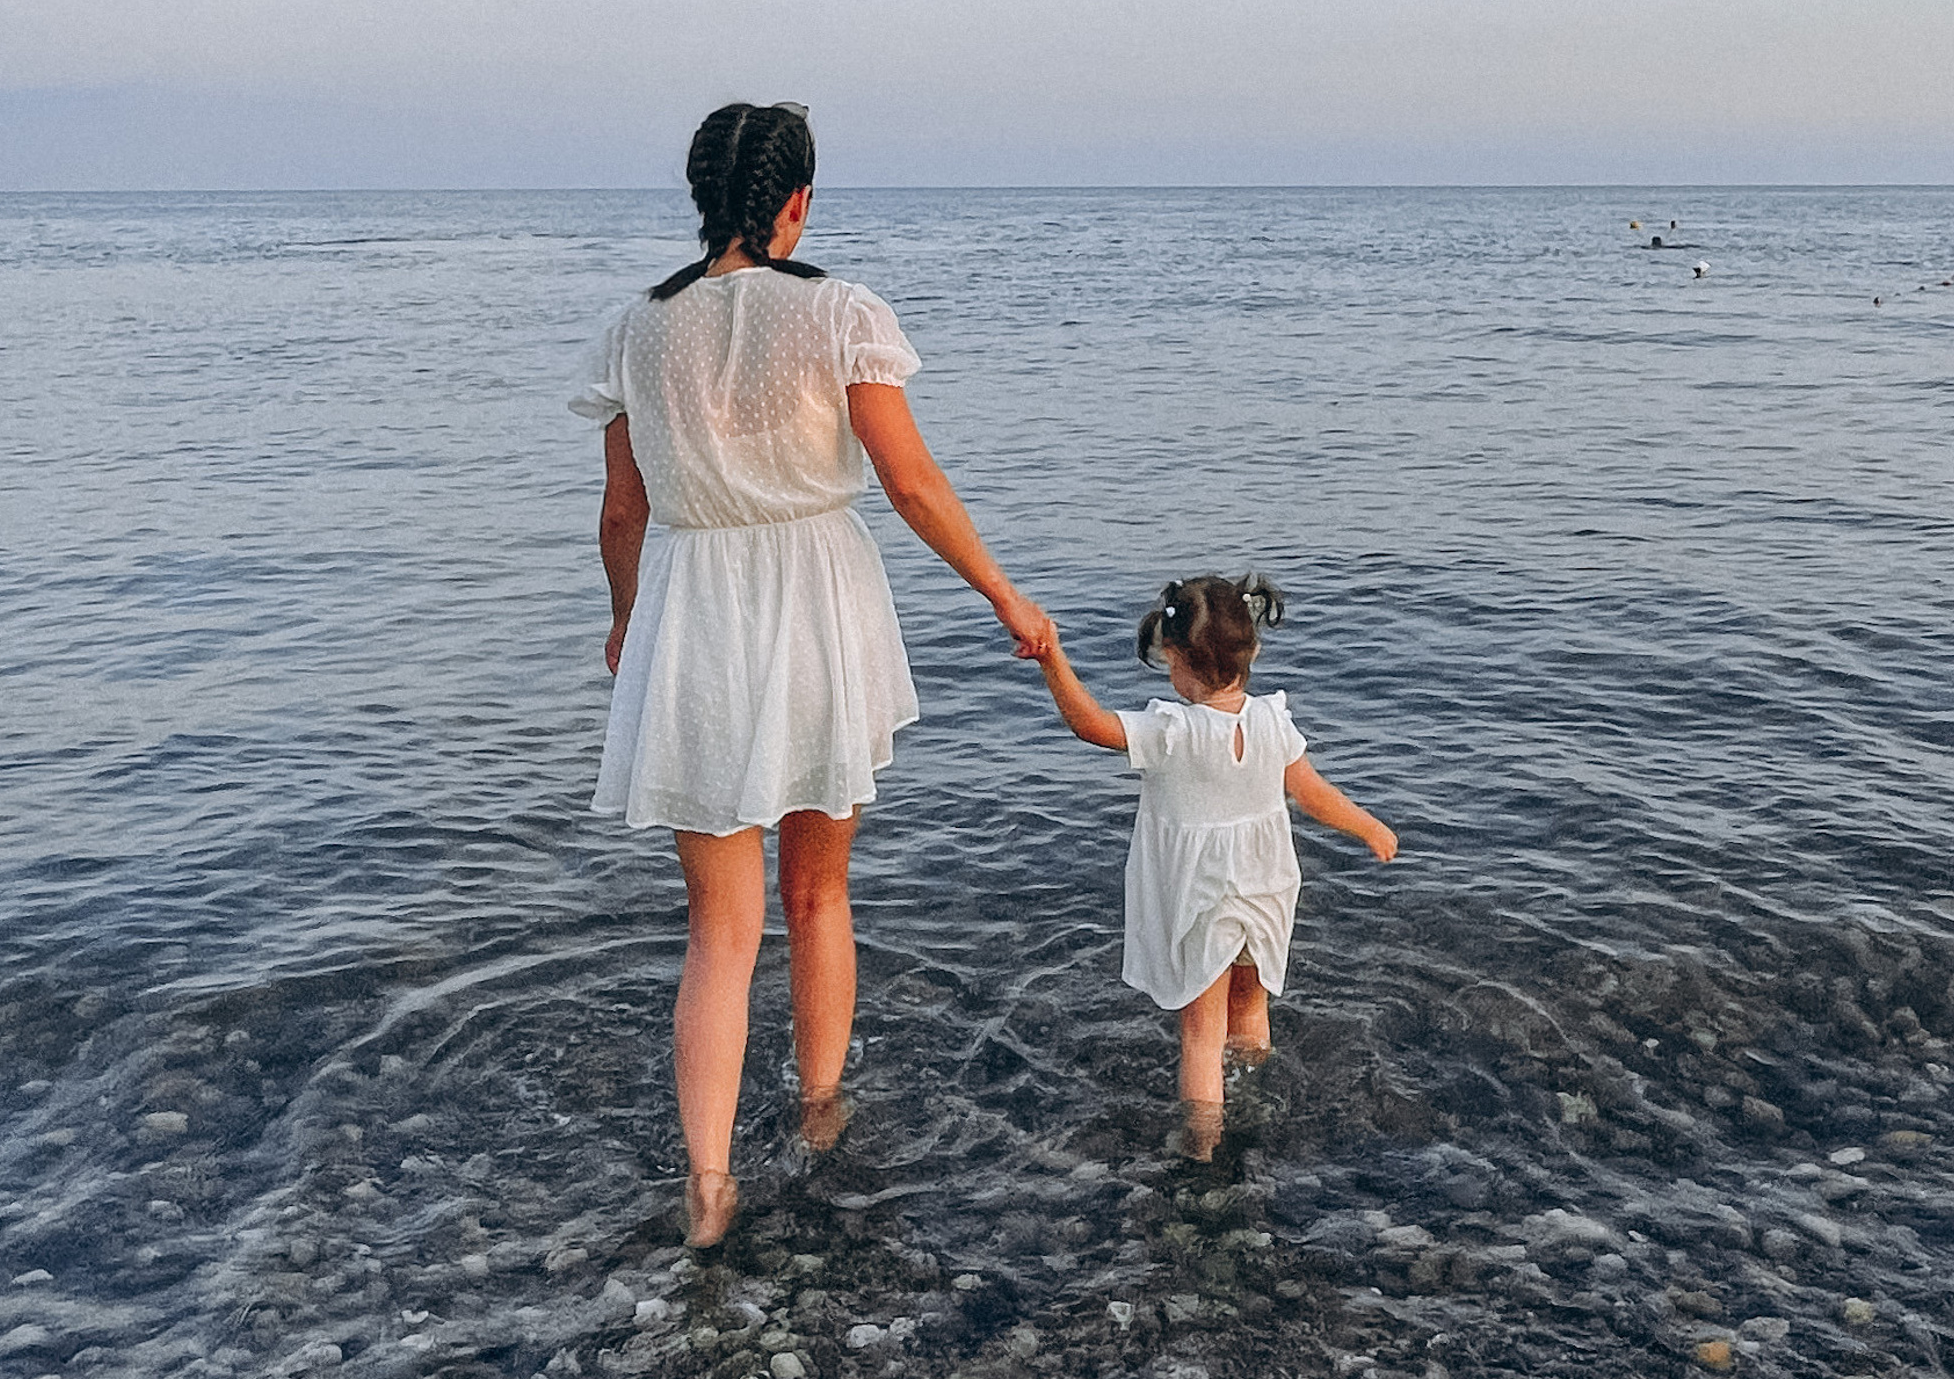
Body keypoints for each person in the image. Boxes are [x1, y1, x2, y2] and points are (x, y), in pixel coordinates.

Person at [573, 102, 1051, 1246]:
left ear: (704, 198)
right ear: (797, 203)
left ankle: (706, 1185)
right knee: (817, 893)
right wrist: (1002, 593)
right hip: (816, 608)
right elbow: (913, 482)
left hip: (692, 613)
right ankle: (823, 1118)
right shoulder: (840, 314)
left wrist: (627, 617)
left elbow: (621, 512)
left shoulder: (639, 328)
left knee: (717, 932)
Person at [1030, 573, 1396, 1156]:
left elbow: (1089, 724)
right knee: (1251, 1003)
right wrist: (1368, 826)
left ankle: (1202, 1149)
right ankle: (1255, 1101)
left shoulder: (1172, 731)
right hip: (1268, 886)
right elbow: (1312, 793)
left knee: (1202, 1033)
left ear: (1177, 660)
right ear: (1249, 651)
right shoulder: (1274, 721)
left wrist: (1053, 659)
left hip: (1205, 895)